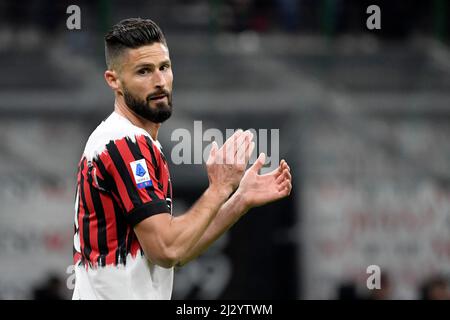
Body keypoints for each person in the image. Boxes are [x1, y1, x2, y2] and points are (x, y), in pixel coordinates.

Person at [72, 18, 292, 300]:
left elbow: (178, 251)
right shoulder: (124, 144)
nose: (160, 81)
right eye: (143, 71)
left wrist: (239, 200)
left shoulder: (132, 142)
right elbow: (167, 250)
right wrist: (220, 188)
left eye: (164, 67)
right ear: (113, 80)